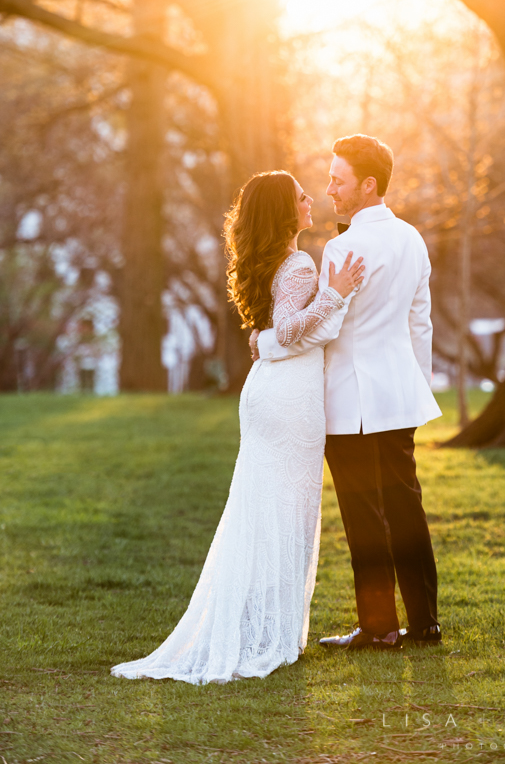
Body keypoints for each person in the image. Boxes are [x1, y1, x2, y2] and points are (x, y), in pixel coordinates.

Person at [111, 171, 363, 684]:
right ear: (283, 211)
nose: (310, 199)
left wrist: (279, 334)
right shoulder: (297, 265)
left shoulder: (270, 262)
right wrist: (336, 294)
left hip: (270, 390)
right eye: (300, 197)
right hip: (289, 398)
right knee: (284, 511)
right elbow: (290, 329)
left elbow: (269, 334)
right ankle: (265, 633)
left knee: (263, 511)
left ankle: (260, 625)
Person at [255, 135, 443, 650]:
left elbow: (324, 329)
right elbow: (419, 322)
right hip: (398, 397)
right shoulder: (413, 239)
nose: (330, 189)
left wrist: (267, 343)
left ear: (367, 184)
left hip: (350, 401)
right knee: (407, 509)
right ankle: (425, 623)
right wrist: (415, 384)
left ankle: (380, 628)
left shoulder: (341, 248)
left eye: (338, 180)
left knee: (365, 516)